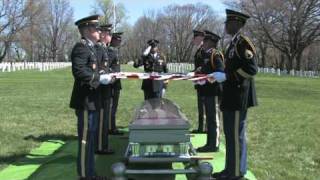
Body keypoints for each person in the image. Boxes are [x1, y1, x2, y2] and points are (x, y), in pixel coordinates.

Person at [209, 9, 258, 180]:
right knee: (231, 135)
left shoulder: (243, 43)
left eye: (228, 22)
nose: (225, 25)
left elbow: (252, 69)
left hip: (238, 97)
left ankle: (236, 173)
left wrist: (227, 76)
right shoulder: (233, 43)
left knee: (236, 136)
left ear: (236, 23)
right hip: (231, 96)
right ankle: (231, 169)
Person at [70, 15, 113, 180]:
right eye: (96, 28)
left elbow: (93, 69)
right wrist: (99, 79)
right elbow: (79, 71)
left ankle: (91, 173)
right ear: (87, 30)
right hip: (86, 101)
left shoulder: (91, 48)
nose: (99, 31)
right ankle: (84, 175)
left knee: (91, 140)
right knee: (85, 142)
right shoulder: (81, 47)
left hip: (93, 100)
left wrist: (102, 74)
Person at [195, 30, 224, 153]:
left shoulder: (215, 55)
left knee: (213, 118)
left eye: (206, 41)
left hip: (214, 91)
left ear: (211, 42)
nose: (204, 42)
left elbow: (221, 72)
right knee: (209, 118)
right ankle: (209, 143)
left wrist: (208, 77)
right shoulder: (205, 55)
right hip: (206, 91)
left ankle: (214, 144)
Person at [95, 24, 115, 155]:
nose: (110, 36)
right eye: (108, 33)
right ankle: (101, 146)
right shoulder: (99, 48)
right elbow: (98, 68)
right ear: (102, 34)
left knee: (105, 117)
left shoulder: (104, 48)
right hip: (101, 90)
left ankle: (104, 144)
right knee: (102, 118)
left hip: (106, 89)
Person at [190, 30, 206, 134]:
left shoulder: (204, 50)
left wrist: (196, 71)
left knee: (204, 106)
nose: (193, 40)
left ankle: (205, 128)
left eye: (195, 38)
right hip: (199, 81)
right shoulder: (199, 50)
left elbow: (205, 65)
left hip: (205, 82)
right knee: (201, 105)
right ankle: (201, 127)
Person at [108, 32, 124, 135]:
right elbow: (107, 67)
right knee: (111, 107)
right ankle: (110, 127)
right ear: (113, 40)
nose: (119, 42)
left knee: (114, 107)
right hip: (112, 83)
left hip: (116, 83)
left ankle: (112, 126)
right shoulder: (110, 51)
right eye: (118, 40)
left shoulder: (115, 51)